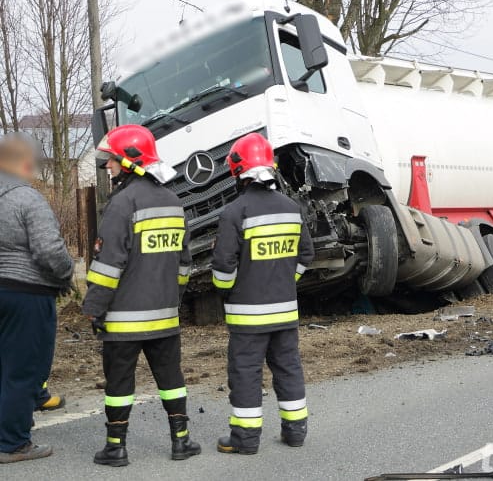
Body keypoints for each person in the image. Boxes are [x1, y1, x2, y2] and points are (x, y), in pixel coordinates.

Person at [82, 124, 200, 467]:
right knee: (172, 380)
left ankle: (116, 449)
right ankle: (182, 442)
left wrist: (94, 309)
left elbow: (108, 266)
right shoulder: (174, 202)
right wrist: (172, 299)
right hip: (165, 318)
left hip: (123, 322)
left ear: (131, 162)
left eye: (112, 161)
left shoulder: (121, 205)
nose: (108, 167)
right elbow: (184, 264)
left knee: (119, 382)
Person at [212, 133, 314, 455]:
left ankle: (245, 439)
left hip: (247, 316)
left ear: (237, 172)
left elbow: (223, 270)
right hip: (286, 313)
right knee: (288, 369)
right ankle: (295, 433)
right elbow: (306, 256)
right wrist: (285, 280)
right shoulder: (291, 208)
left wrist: (229, 290)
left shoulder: (233, 213)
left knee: (245, 373)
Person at [0, 133, 74, 463]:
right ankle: (14, 443)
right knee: (24, 369)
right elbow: (49, 251)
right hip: (26, 294)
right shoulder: (26, 199)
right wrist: (66, 274)